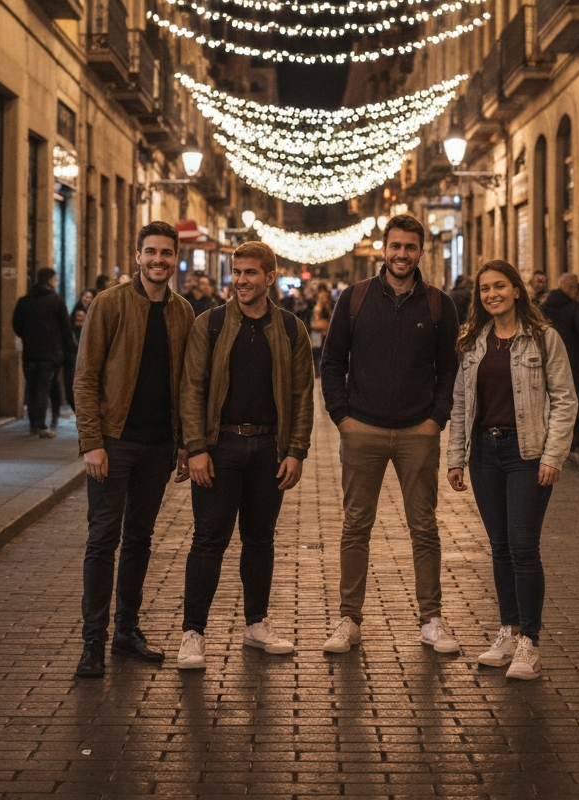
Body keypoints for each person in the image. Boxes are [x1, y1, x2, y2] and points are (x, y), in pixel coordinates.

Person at [320, 214, 461, 655]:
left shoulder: (439, 304)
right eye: (395, 246)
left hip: (418, 432)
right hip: (362, 429)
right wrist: (343, 418)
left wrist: (436, 419)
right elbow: (331, 362)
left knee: (424, 527)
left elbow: (449, 370)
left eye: (410, 247)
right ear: (384, 248)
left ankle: (431, 619)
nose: (402, 254)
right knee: (355, 525)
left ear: (422, 252)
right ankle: (349, 619)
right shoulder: (355, 298)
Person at [177, 242, 314, 670]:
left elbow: (302, 394)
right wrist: (196, 447)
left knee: (259, 539)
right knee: (209, 540)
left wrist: (296, 450)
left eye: (250, 273)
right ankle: (192, 633)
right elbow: (192, 388)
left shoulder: (291, 329)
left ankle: (256, 624)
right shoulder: (211, 324)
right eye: (237, 273)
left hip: (268, 448)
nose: (241, 280)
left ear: (270, 278)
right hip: (222, 447)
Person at [72, 222, 195, 678]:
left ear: (175, 257)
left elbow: (186, 385)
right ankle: (93, 642)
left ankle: (126, 632)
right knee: (103, 540)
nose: (158, 260)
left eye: (166, 252)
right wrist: (93, 442)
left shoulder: (183, 312)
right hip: (115, 443)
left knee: (140, 539)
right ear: (138, 255)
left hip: (158, 446)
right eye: (151, 252)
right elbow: (85, 377)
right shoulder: (110, 304)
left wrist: (185, 443)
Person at [446, 260, 577, 679]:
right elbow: (462, 404)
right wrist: (455, 458)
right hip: (485, 452)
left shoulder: (543, 339)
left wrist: (553, 456)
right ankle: (508, 630)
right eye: (484, 289)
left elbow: (565, 400)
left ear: (516, 290)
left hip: (527, 453)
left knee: (523, 547)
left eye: (499, 286)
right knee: (500, 547)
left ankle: (530, 644)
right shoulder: (473, 342)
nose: (491, 294)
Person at [12, 268, 74, 440]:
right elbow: (65, 328)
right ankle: (40, 425)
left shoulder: (24, 301)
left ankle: (33, 424)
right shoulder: (56, 300)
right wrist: (67, 351)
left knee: (31, 389)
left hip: (30, 353)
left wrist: (28, 337)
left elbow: (16, 325)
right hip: (50, 354)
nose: (56, 282)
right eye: (55, 279)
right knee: (42, 389)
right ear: (50, 280)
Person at [540, 273, 579, 450]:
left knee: (551, 401)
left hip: (548, 361)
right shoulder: (574, 307)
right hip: (572, 362)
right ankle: (575, 438)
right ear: (571, 289)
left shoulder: (545, 306)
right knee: (573, 401)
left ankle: (554, 439)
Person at [309, 283, 333, 375]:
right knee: (317, 351)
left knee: (321, 352)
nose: (321, 297)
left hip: (323, 331)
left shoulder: (326, 307)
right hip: (318, 331)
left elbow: (326, 318)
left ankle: (321, 372)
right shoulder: (318, 305)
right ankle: (319, 372)